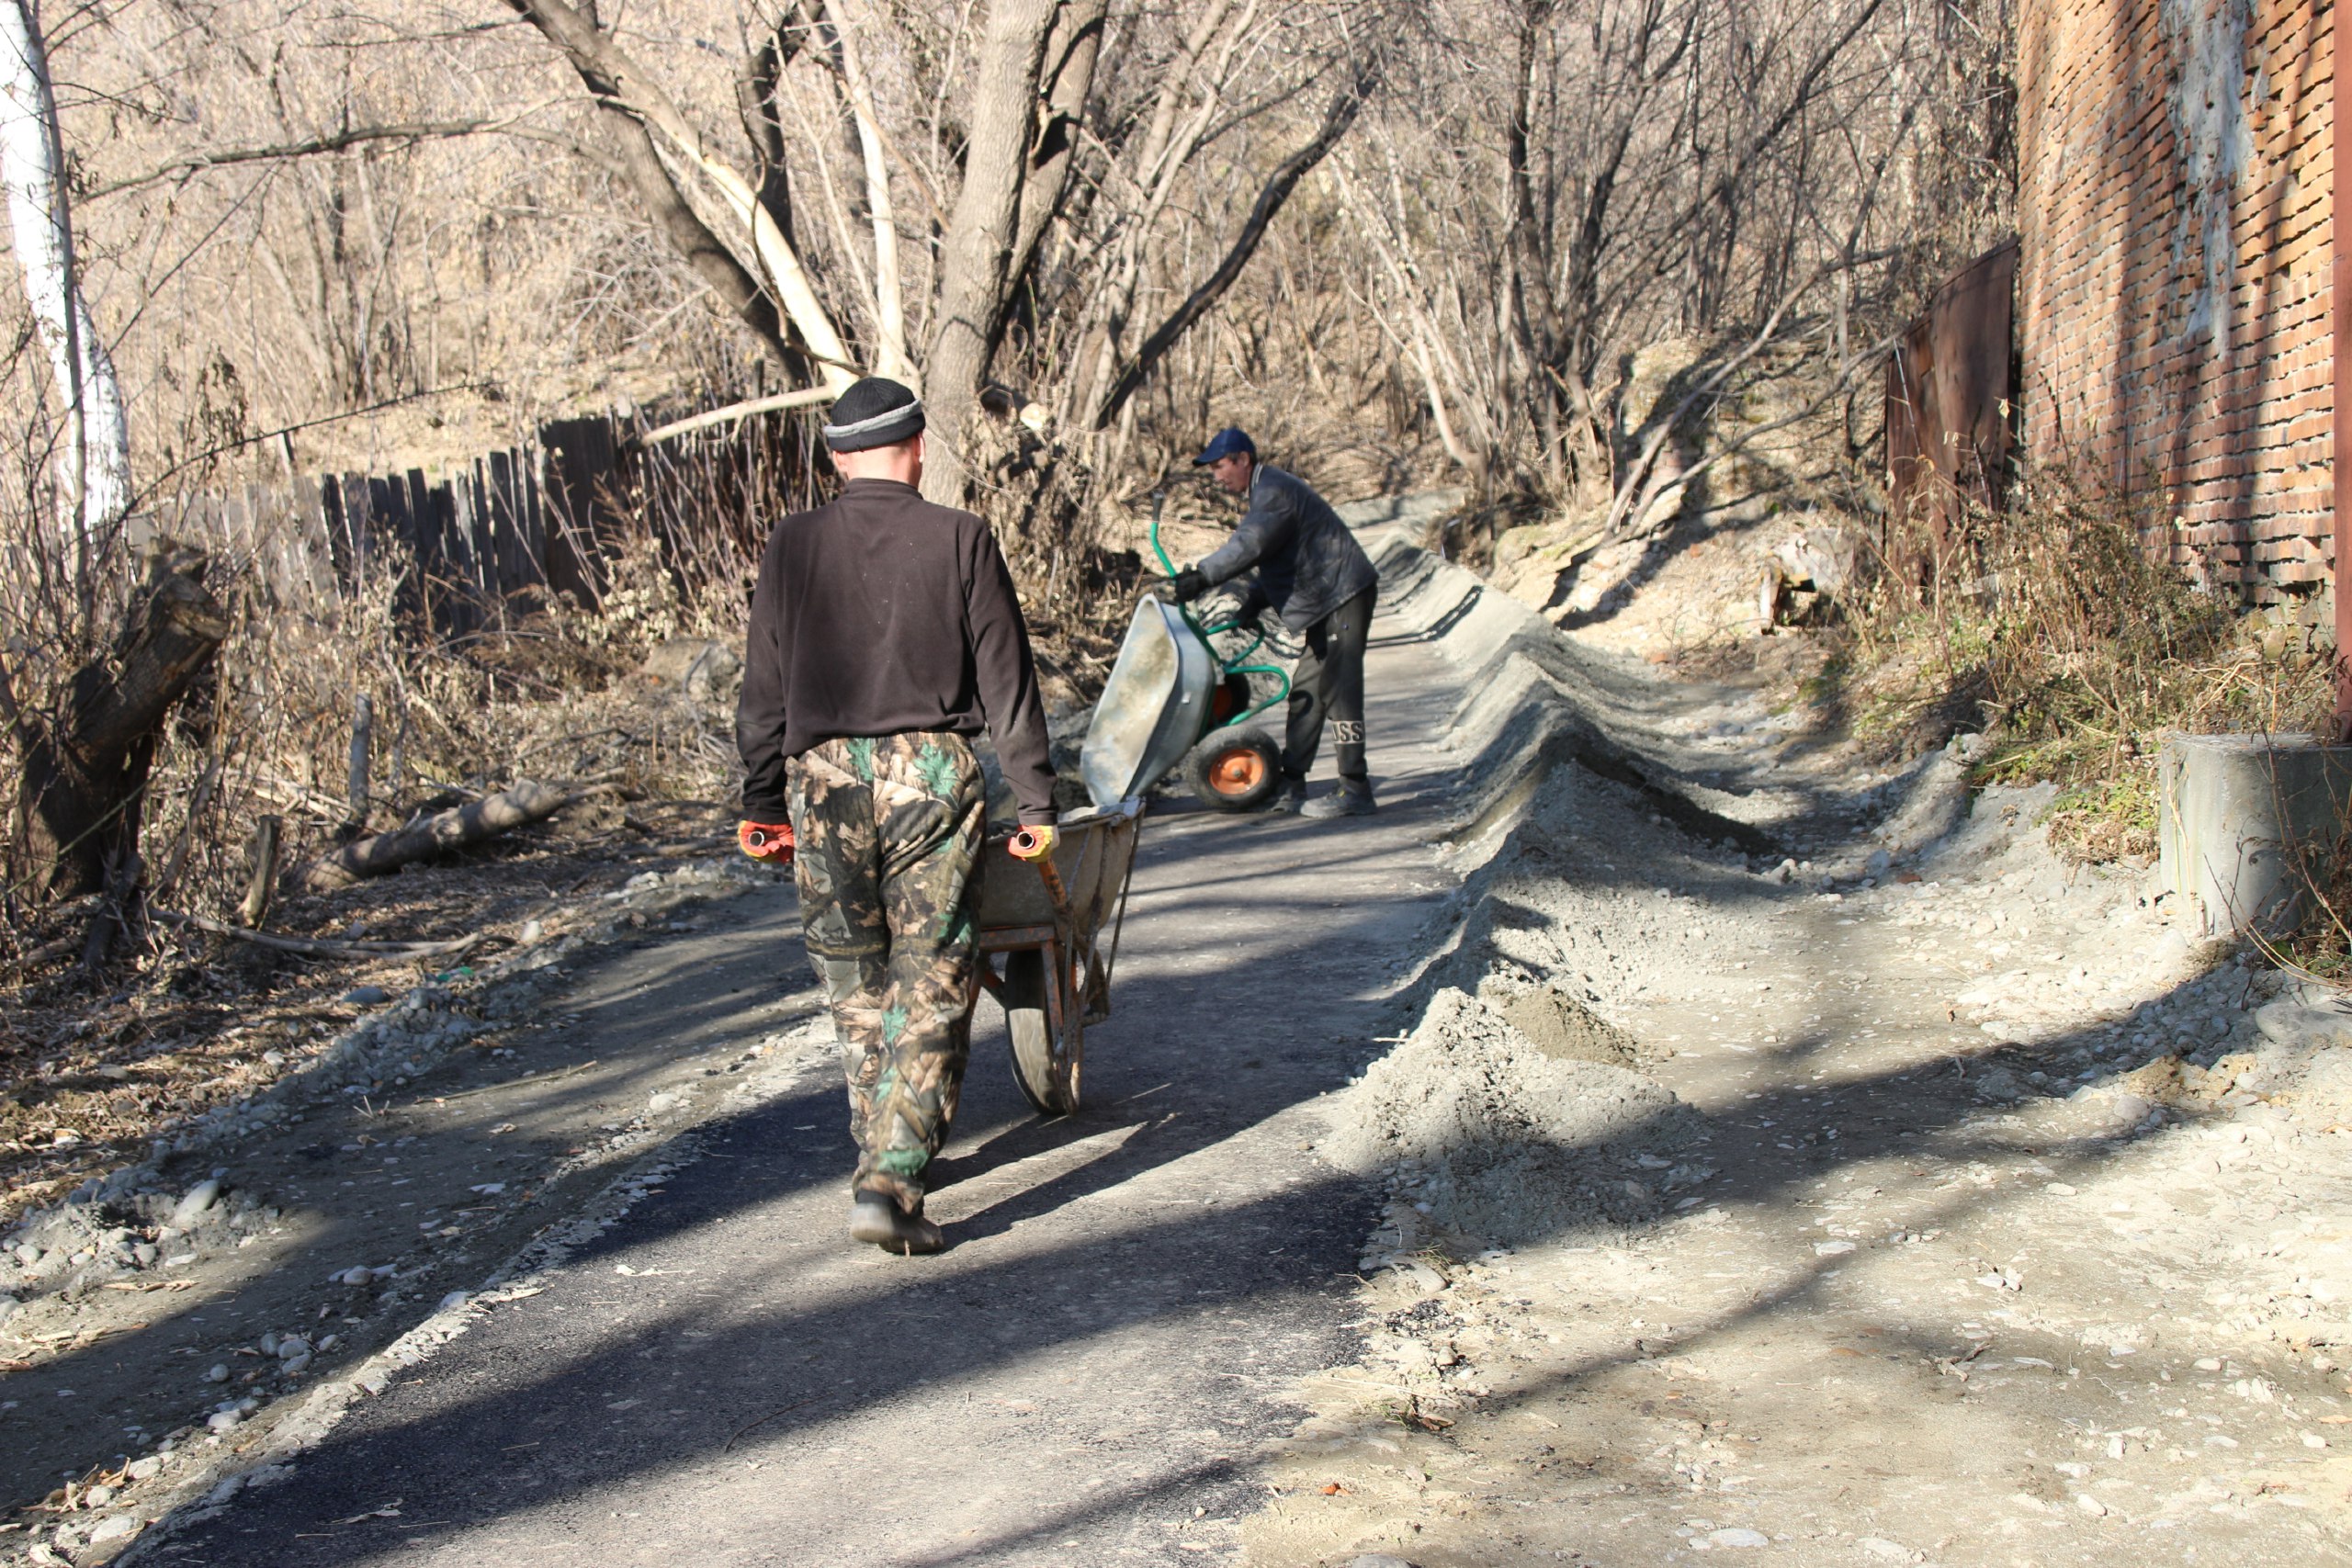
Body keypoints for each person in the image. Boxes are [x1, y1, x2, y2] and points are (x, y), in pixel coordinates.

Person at [735, 376, 1058, 1256]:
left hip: (822, 780)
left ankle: (882, 1147)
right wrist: (1036, 799)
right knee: (932, 971)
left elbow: (763, 687)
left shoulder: (792, 544)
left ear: (839, 461)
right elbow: (1008, 683)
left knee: (854, 973)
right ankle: (893, 1169)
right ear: (917, 448)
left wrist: (761, 800)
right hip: (930, 777)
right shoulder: (960, 536)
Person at [1169, 427, 1381, 817]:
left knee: (1340, 689)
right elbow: (1282, 557)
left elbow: (1251, 544)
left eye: (1220, 466)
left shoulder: (1273, 491)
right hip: (1326, 599)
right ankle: (1292, 782)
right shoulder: (1266, 492)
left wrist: (1203, 575)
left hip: (1343, 594)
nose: (1217, 476)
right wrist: (1255, 599)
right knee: (1306, 690)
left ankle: (1356, 788)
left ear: (1243, 459)